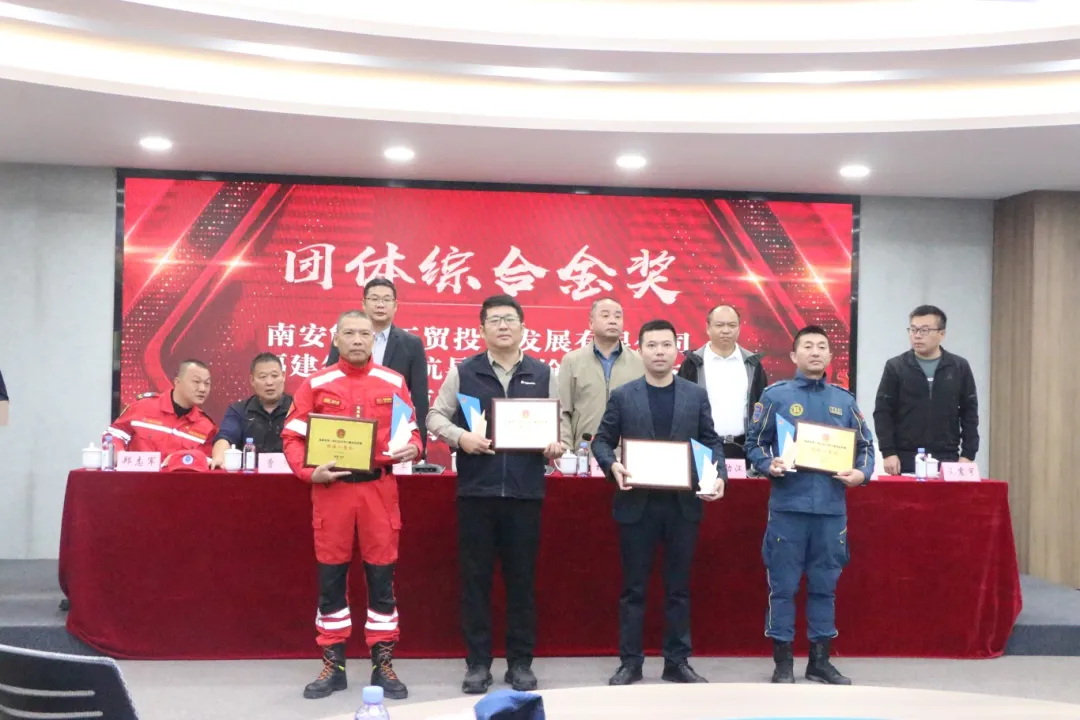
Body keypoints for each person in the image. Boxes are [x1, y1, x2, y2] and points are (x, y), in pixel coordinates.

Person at [426, 294, 565, 695]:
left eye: (510, 319)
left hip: (525, 494)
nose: (503, 326)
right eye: (495, 320)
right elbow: (434, 415)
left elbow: (560, 423)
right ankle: (478, 664)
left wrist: (556, 445)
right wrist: (460, 437)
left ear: (523, 327)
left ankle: (520, 663)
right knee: (475, 582)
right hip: (477, 493)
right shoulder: (463, 371)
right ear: (482, 329)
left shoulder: (543, 373)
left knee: (521, 582)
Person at [282, 311, 422, 701]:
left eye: (365, 334)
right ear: (336, 339)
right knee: (331, 579)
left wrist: (415, 447)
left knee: (381, 580)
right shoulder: (316, 383)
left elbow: (410, 431)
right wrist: (308, 471)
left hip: (379, 491)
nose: (358, 340)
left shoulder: (393, 381)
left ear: (374, 340)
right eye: (350, 333)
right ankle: (334, 666)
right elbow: (292, 436)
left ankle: (383, 664)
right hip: (332, 492)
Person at [591, 319, 725, 687]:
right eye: (651, 345)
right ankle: (630, 662)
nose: (659, 352)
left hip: (683, 506)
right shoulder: (624, 395)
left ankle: (676, 662)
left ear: (677, 350)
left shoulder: (695, 395)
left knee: (678, 589)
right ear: (640, 350)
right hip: (638, 505)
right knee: (633, 589)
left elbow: (711, 441)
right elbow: (601, 441)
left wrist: (717, 476)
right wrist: (612, 464)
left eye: (666, 345)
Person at [745, 326, 874, 686]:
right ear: (794, 355)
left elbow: (866, 447)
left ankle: (820, 661)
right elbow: (754, 443)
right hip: (788, 507)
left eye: (821, 346)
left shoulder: (844, 401)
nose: (815, 352)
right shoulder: (776, 396)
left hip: (831, 510)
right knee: (783, 586)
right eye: (808, 346)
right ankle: (783, 662)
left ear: (831, 356)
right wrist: (768, 463)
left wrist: (861, 474)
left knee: (824, 586)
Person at [326, 277, 430, 453]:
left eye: (386, 300)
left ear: (395, 305)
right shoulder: (346, 340)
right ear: (363, 303)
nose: (380, 305)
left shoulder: (411, 344)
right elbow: (330, 382)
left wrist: (420, 444)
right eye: (374, 299)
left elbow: (419, 400)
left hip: (392, 431)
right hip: (348, 426)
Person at [873, 305, 979, 475]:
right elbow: (883, 412)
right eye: (913, 329)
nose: (917, 335)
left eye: (924, 330)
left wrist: (968, 454)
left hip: (947, 457)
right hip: (904, 458)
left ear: (941, 334)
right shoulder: (896, 366)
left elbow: (970, 413)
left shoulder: (958, 367)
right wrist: (888, 452)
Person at [676, 304, 768, 460]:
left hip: (743, 448)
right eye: (719, 325)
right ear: (708, 328)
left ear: (739, 328)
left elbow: (762, 407)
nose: (726, 330)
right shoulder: (692, 364)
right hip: (702, 448)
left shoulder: (752, 364)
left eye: (732, 325)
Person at [557, 297, 644, 451]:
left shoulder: (640, 362)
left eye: (618, 316)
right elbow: (564, 411)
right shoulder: (572, 361)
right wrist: (567, 450)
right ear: (591, 323)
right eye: (605, 315)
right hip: (584, 451)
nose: (613, 321)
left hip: (627, 453)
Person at [104, 360, 216, 456]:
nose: (202, 389)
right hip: (138, 474)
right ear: (177, 382)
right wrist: (119, 454)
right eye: (196, 382)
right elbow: (113, 435)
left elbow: (205, 464)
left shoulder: (207, 427)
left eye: (207, 383)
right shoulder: (143, 407)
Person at [211, 353, 293, 467]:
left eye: (274, 376)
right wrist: (219, 457)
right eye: (263, 377)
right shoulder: (238, 410)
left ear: (283, 376)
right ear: (252, 380)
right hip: (250, 476)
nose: (269, 382)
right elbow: (226, 437)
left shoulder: (298, 409)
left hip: (291, 476)